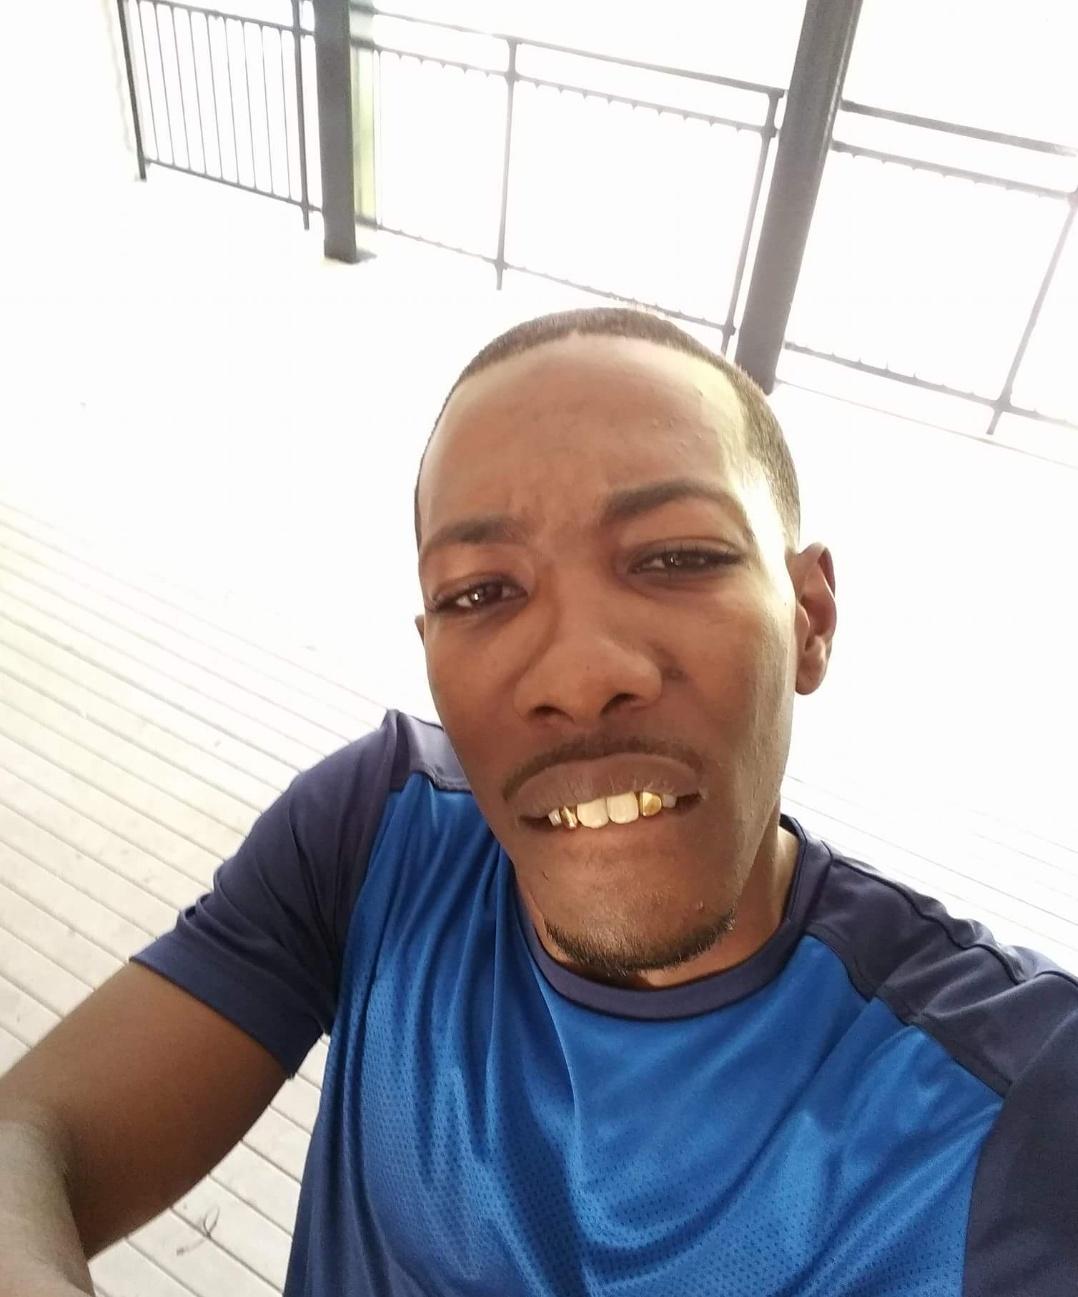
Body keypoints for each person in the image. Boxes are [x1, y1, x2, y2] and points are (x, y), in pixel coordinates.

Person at [1, 306, 1075, 1297]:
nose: (579, 673)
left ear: (809, 618)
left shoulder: (1013, 1102)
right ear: (430, 647)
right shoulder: (380, 834)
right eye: (481, 592)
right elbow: (30, 1136)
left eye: (677, 556)